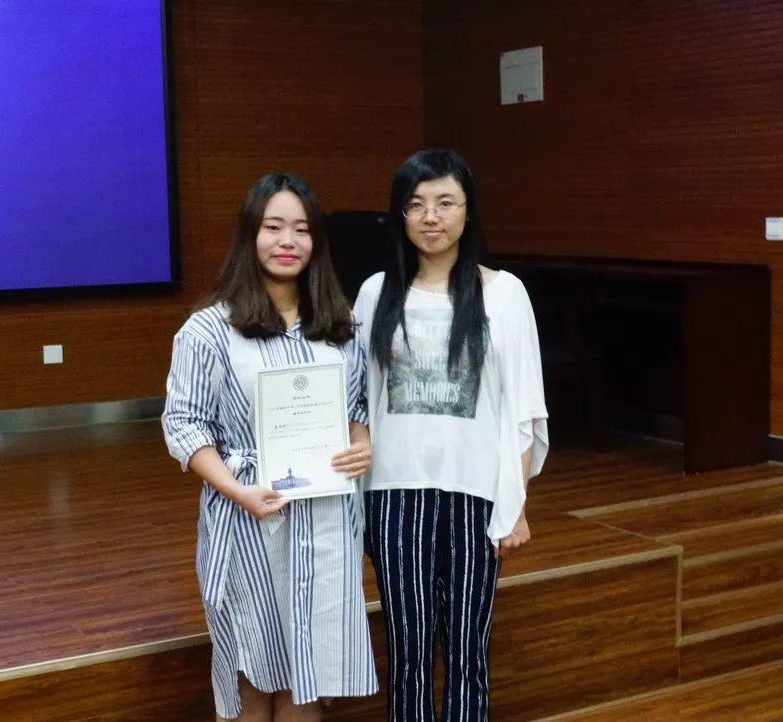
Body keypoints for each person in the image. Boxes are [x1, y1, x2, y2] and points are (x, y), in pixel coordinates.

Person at [162, 172, 377, 721]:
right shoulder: (209, 330)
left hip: (326, 521)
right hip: (248, 520)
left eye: (301, 230)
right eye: (273, 227)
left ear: (317, 241)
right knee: (253, 675)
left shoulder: (342, 326)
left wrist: (361, 441)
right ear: (249, 235)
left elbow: (358, 408)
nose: (287, 241)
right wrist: (238, 491)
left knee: (309, 678)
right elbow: (184, 425)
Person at [353, 149, 549, 721]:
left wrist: (515, 504)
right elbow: (356, 398)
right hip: (394, 496)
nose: (430, 217)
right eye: (416, 205)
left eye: (445, 203)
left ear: (468, 211)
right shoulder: (375, 293)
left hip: (475, 494)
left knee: (469, 650)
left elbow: (523, 408)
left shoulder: (505, 293)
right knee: (407, 652)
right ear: (400, 215)